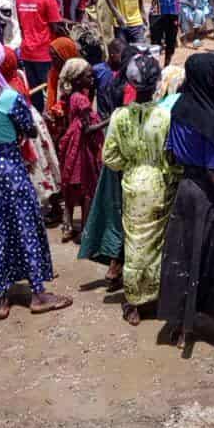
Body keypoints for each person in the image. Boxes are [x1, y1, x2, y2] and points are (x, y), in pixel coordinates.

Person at [0, 35, 72, 318]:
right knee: (25, 226)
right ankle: (37, 292)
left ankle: (2, 297)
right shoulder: (8, 98)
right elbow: (30, 129)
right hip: (10, 166)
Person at [158, 53, 214, 349]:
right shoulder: (208, 119)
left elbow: (172, 152)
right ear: (202, 80)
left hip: (185, 193)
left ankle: (183, 329)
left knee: (186, 258)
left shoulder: (180, 108)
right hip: (209, 199)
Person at [102, 52, 175, 324]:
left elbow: (109, 157)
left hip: (132, 184)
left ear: (131, 84)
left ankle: (133, 302)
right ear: (157, 83)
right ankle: (156, 296)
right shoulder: (166, 116)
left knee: (134, 244)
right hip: (158, 184)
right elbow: (172, 158)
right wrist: (166, 174)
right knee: (158, 243)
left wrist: (130, 165)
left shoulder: (120, 117)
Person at [79, 46, 142, 290]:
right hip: (129, 162)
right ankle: (117, 263)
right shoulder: (129, 92)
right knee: (125, 214)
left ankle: (114, 262)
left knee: (114, 212)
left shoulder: (114, 82)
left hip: (114, 158)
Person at [0, 46, 62, 212]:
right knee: (45, 163)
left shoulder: (5, 89)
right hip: (34, 118)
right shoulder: (19, 75)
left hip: (24, 127)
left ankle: (42, 206)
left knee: (35, 167)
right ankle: (53, 203)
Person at [57, 58, 103, 241]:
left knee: (72, 187)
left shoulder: (72, 96)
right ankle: (85, 230)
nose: (92, 78)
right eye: (88, 76)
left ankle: (68, 226)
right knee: (87, 187)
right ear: (77, 79)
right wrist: (109, 120)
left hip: (74, 144)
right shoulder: (82, 99)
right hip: (82, 147)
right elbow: (87, 129)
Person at [17, 0, 66, 112]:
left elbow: (21, 25)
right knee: (50, 92)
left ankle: (37, 120)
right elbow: (56, 27)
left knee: (34, 92)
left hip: (26, 52)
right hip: (44, 54)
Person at [46, 36, 82, 135]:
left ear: (65, 56)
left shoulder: (80, 75)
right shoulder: (54, 72)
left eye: (55, 58)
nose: (52, 62)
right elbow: (51, 96)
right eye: (51, 58)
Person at [94, 37, 126, 107]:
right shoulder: (98, 70)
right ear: (112, 53)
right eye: (121, 53)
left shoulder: (126, 70)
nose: (125, 56)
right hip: (104, 115)